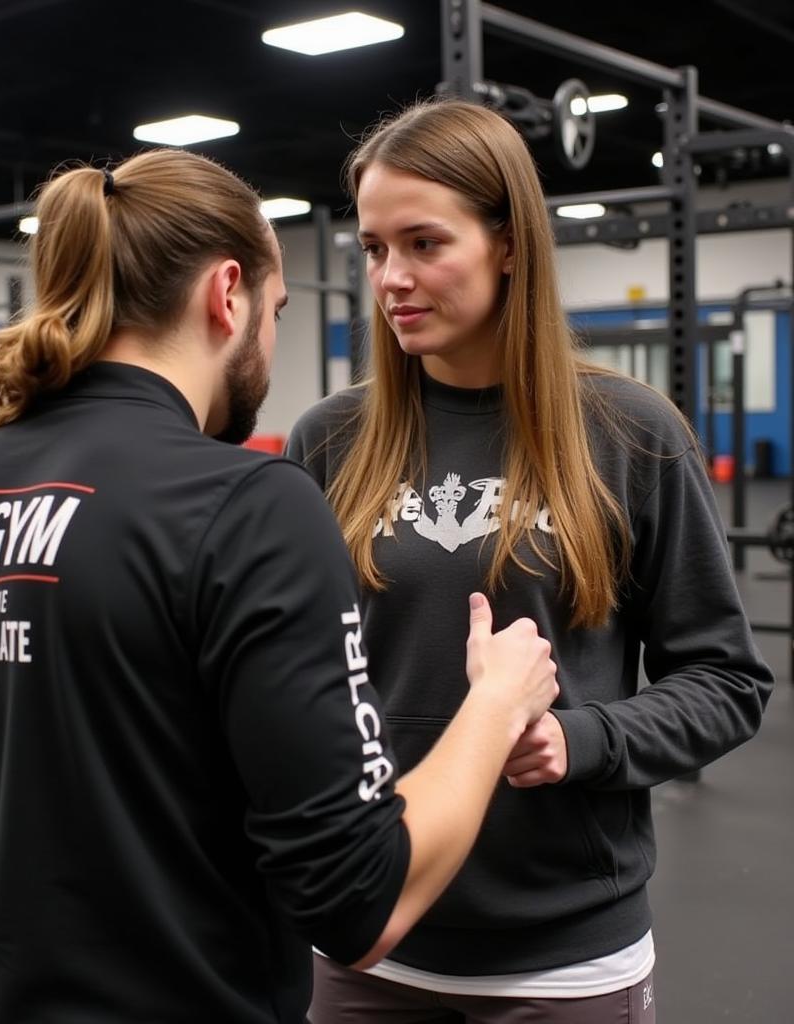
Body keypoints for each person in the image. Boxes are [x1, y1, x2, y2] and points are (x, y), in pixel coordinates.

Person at [0, 151, 558, 1024]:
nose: (269, 340)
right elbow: (359, 903)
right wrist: (496, 703)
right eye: (277, 312)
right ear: (229, 294)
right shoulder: (250, 506)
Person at [285, 98, 775, 1024]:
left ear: (508, 243)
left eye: (426, 243)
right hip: (371, 942)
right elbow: (307, 678)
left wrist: (578, 739)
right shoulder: (330, 439)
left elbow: (725, 679)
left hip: (558, 957)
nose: (392, 277)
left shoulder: (632, 434)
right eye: (376, 248)